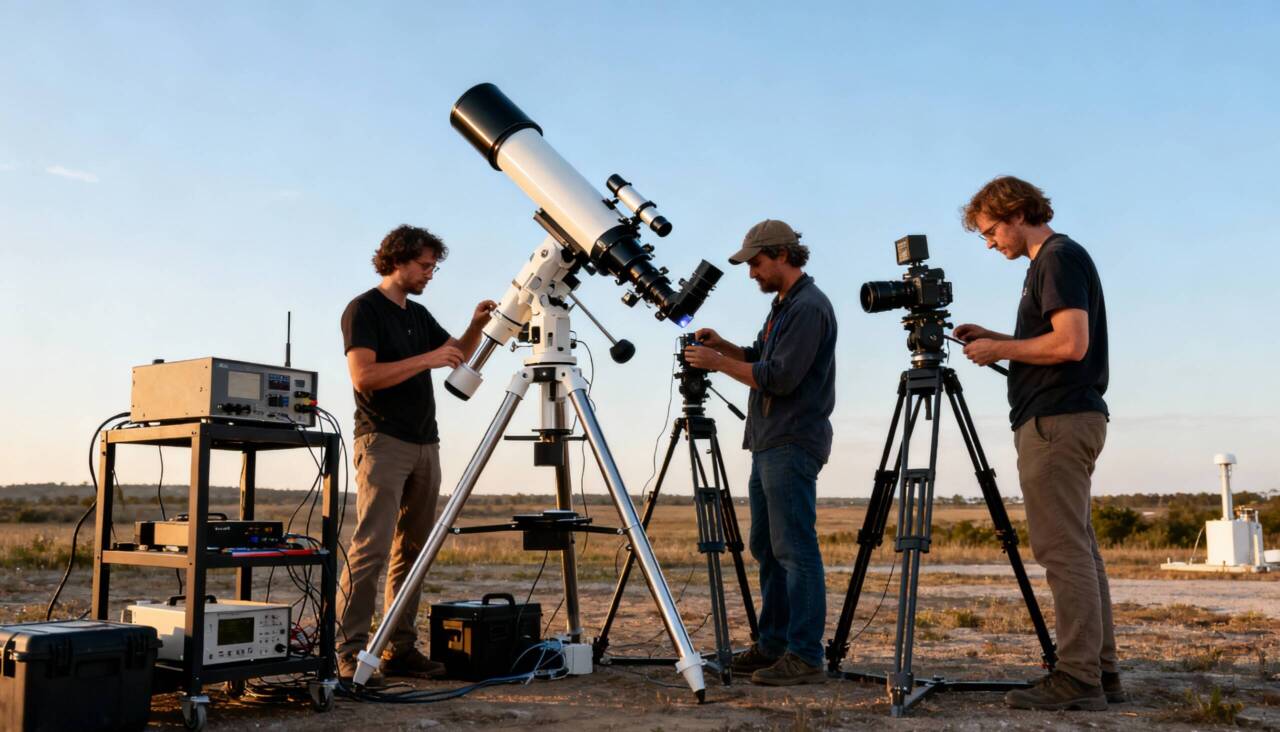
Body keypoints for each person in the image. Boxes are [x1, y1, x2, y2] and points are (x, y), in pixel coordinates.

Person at [954, 176, 1121, 711]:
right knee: (1080, 550)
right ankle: (1101, 671)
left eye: (989, 231)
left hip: (1057, 421)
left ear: (1017, 212)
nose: (989, 243)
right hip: (1066, 417)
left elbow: (1071, 343)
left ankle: (1077, 678)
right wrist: (997, 340)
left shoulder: (1056, 257)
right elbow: (1052, 342)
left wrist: (1000, 346)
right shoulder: (1048, 263)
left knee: (1062, 552)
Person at [335, 224, 496, 684]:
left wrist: (476, 327)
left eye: (433, 266)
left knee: (413, 552)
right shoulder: (363, 309)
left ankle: (398, 648)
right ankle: (348, 653)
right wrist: (425, 361)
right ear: (397, 260)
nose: (430, 273)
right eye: (425, 265)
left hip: (426, 443)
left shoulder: (419, 315)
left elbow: (457, 355)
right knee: (371, 550)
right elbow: (363, 377)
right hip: (382, 442)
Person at [682, 219, 837, 686]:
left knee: (794, 549)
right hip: (770, 440)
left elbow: (780, 376)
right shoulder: (785, 306)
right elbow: (760, 356)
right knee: (768, 548)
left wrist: (718, 364)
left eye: (755, 262)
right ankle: (773, 646)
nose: (751, 272)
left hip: (791, 441)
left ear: (782, 255)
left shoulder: (809, 307)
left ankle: (806, 656)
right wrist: (725, 347)